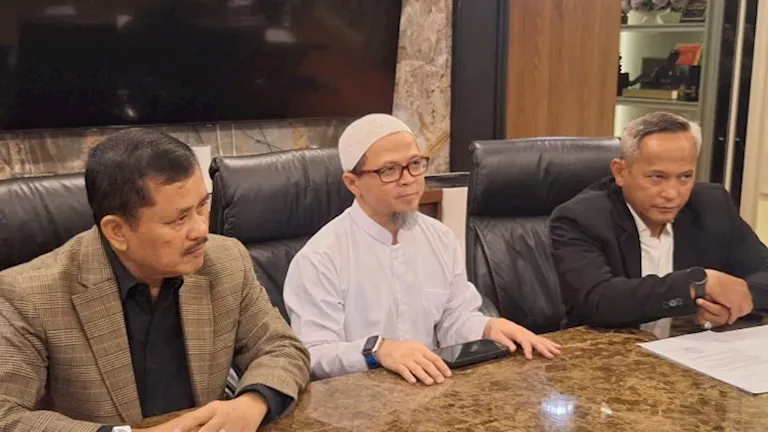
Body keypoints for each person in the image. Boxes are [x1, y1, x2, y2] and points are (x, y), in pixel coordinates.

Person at [0, 129, 310, 432]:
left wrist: (252, 403)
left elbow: (281, 347)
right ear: (117, 232)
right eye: (179, 218)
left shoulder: (225, 260)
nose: (201, 229)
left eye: (202, 205)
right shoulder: (30, 295)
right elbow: (5, 414)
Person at [283, 114, 561, 385]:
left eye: (415, 164)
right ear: (353, 183)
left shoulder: (439, 237)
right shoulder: (320, 258)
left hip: (431, 387)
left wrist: (489, 327)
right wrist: (378, 351)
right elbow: (314, 354)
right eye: (389, 170)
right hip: (358, 402)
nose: (408, 179)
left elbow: (454, 319)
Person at [549, 112, 768, 338]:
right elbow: (599, 300)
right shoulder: (581, 219)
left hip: (688, 349)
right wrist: (695, 284)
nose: (672, 193)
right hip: (610, 352)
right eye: (657, 177)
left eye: (685, 177)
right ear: (620, 172)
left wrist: (731, 305)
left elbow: (763, 272)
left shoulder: (712, 206)